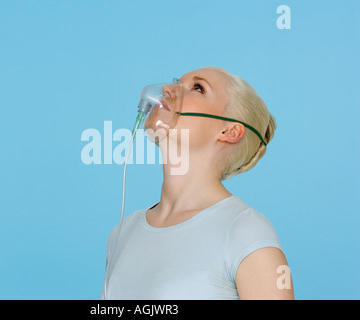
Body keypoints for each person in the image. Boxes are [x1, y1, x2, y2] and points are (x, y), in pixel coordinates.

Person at [102, 66, 294, 300]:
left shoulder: (244, 231)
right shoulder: (123, 233)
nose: (167, 90)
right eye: (177, 82)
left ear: (230, 131)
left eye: (198, 88)